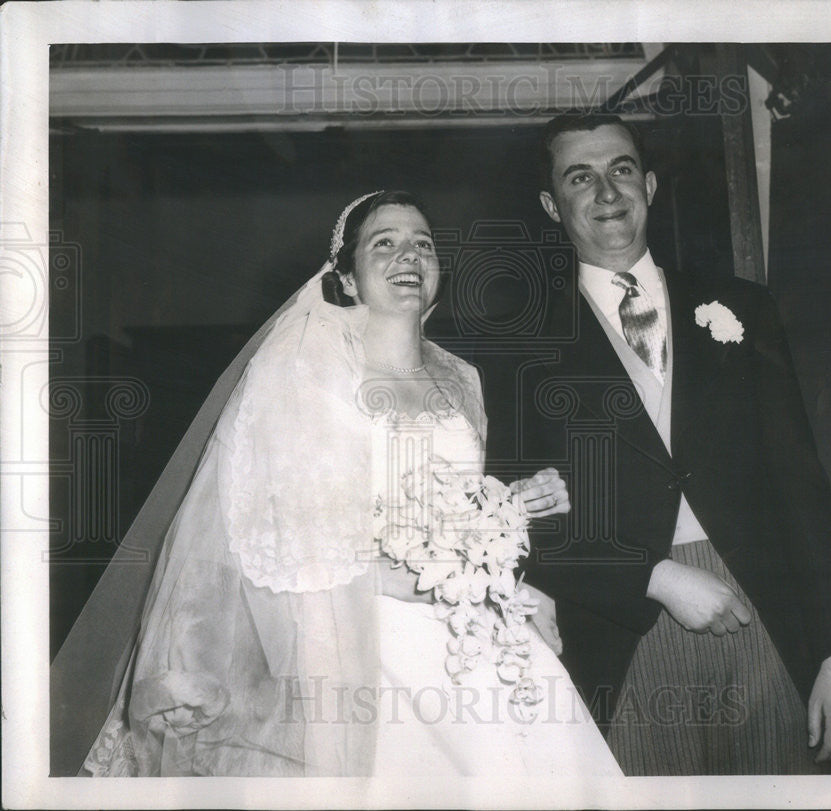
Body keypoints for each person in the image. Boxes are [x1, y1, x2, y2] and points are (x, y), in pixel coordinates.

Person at [59, 190, 623, 777]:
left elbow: (450, 502)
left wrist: (510, 506)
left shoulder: (462, 376)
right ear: (348, 278)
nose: (410, 254)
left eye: (424, 244)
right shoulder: (306, 364)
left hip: (469, 624)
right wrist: (403, 579)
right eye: (385, 243)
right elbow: (264, 528)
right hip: (359, 635)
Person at [476, 112, 831, 775]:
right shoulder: (517, 347)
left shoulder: (744, 306)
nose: (607, 192)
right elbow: (515, 523)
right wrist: (651, 576)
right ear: (552, 204)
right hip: (621, 631)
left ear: (651, 185)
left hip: (764, 619)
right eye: (581, 177)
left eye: (622, 169)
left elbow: (801, 485)